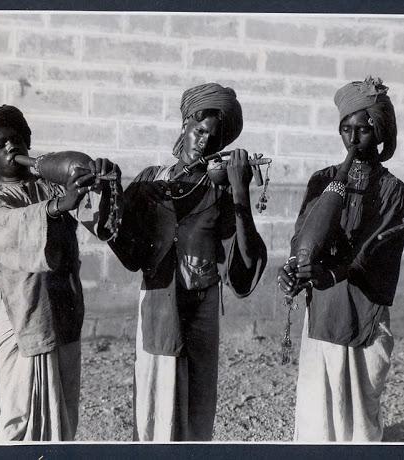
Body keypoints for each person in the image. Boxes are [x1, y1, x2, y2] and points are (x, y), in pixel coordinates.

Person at [108, 83, 267, 441]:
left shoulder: (223, 190)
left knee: (196, 397)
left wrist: (240, 191)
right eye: (199, 132)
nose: (204, 143)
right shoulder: (151, 180)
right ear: (184, 126)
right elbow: (125, 244)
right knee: (154, 389)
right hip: (157, 300)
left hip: (200, 306)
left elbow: (245, 262)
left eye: (213, 140)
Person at [0, 105, 116, 441]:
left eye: (15, 139)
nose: (10, 148)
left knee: (63, 415)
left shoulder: (55, 187)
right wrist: (57, 206)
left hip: (65, 310)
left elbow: (98, 223)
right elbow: (8, 225)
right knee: (18, 417)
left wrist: (103, 184)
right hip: (25, 317)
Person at [278, 76, 404, 442]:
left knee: (359, 420)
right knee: (319, 417)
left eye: (363, 130)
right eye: (346, 129)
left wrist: (329, 274)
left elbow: (373, 250)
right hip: (323, 312)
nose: (353, 139)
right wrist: (293, 268)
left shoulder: (392, 189)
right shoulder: (322, 181)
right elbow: (302, 236)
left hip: (361, 311)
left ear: (378, 134)